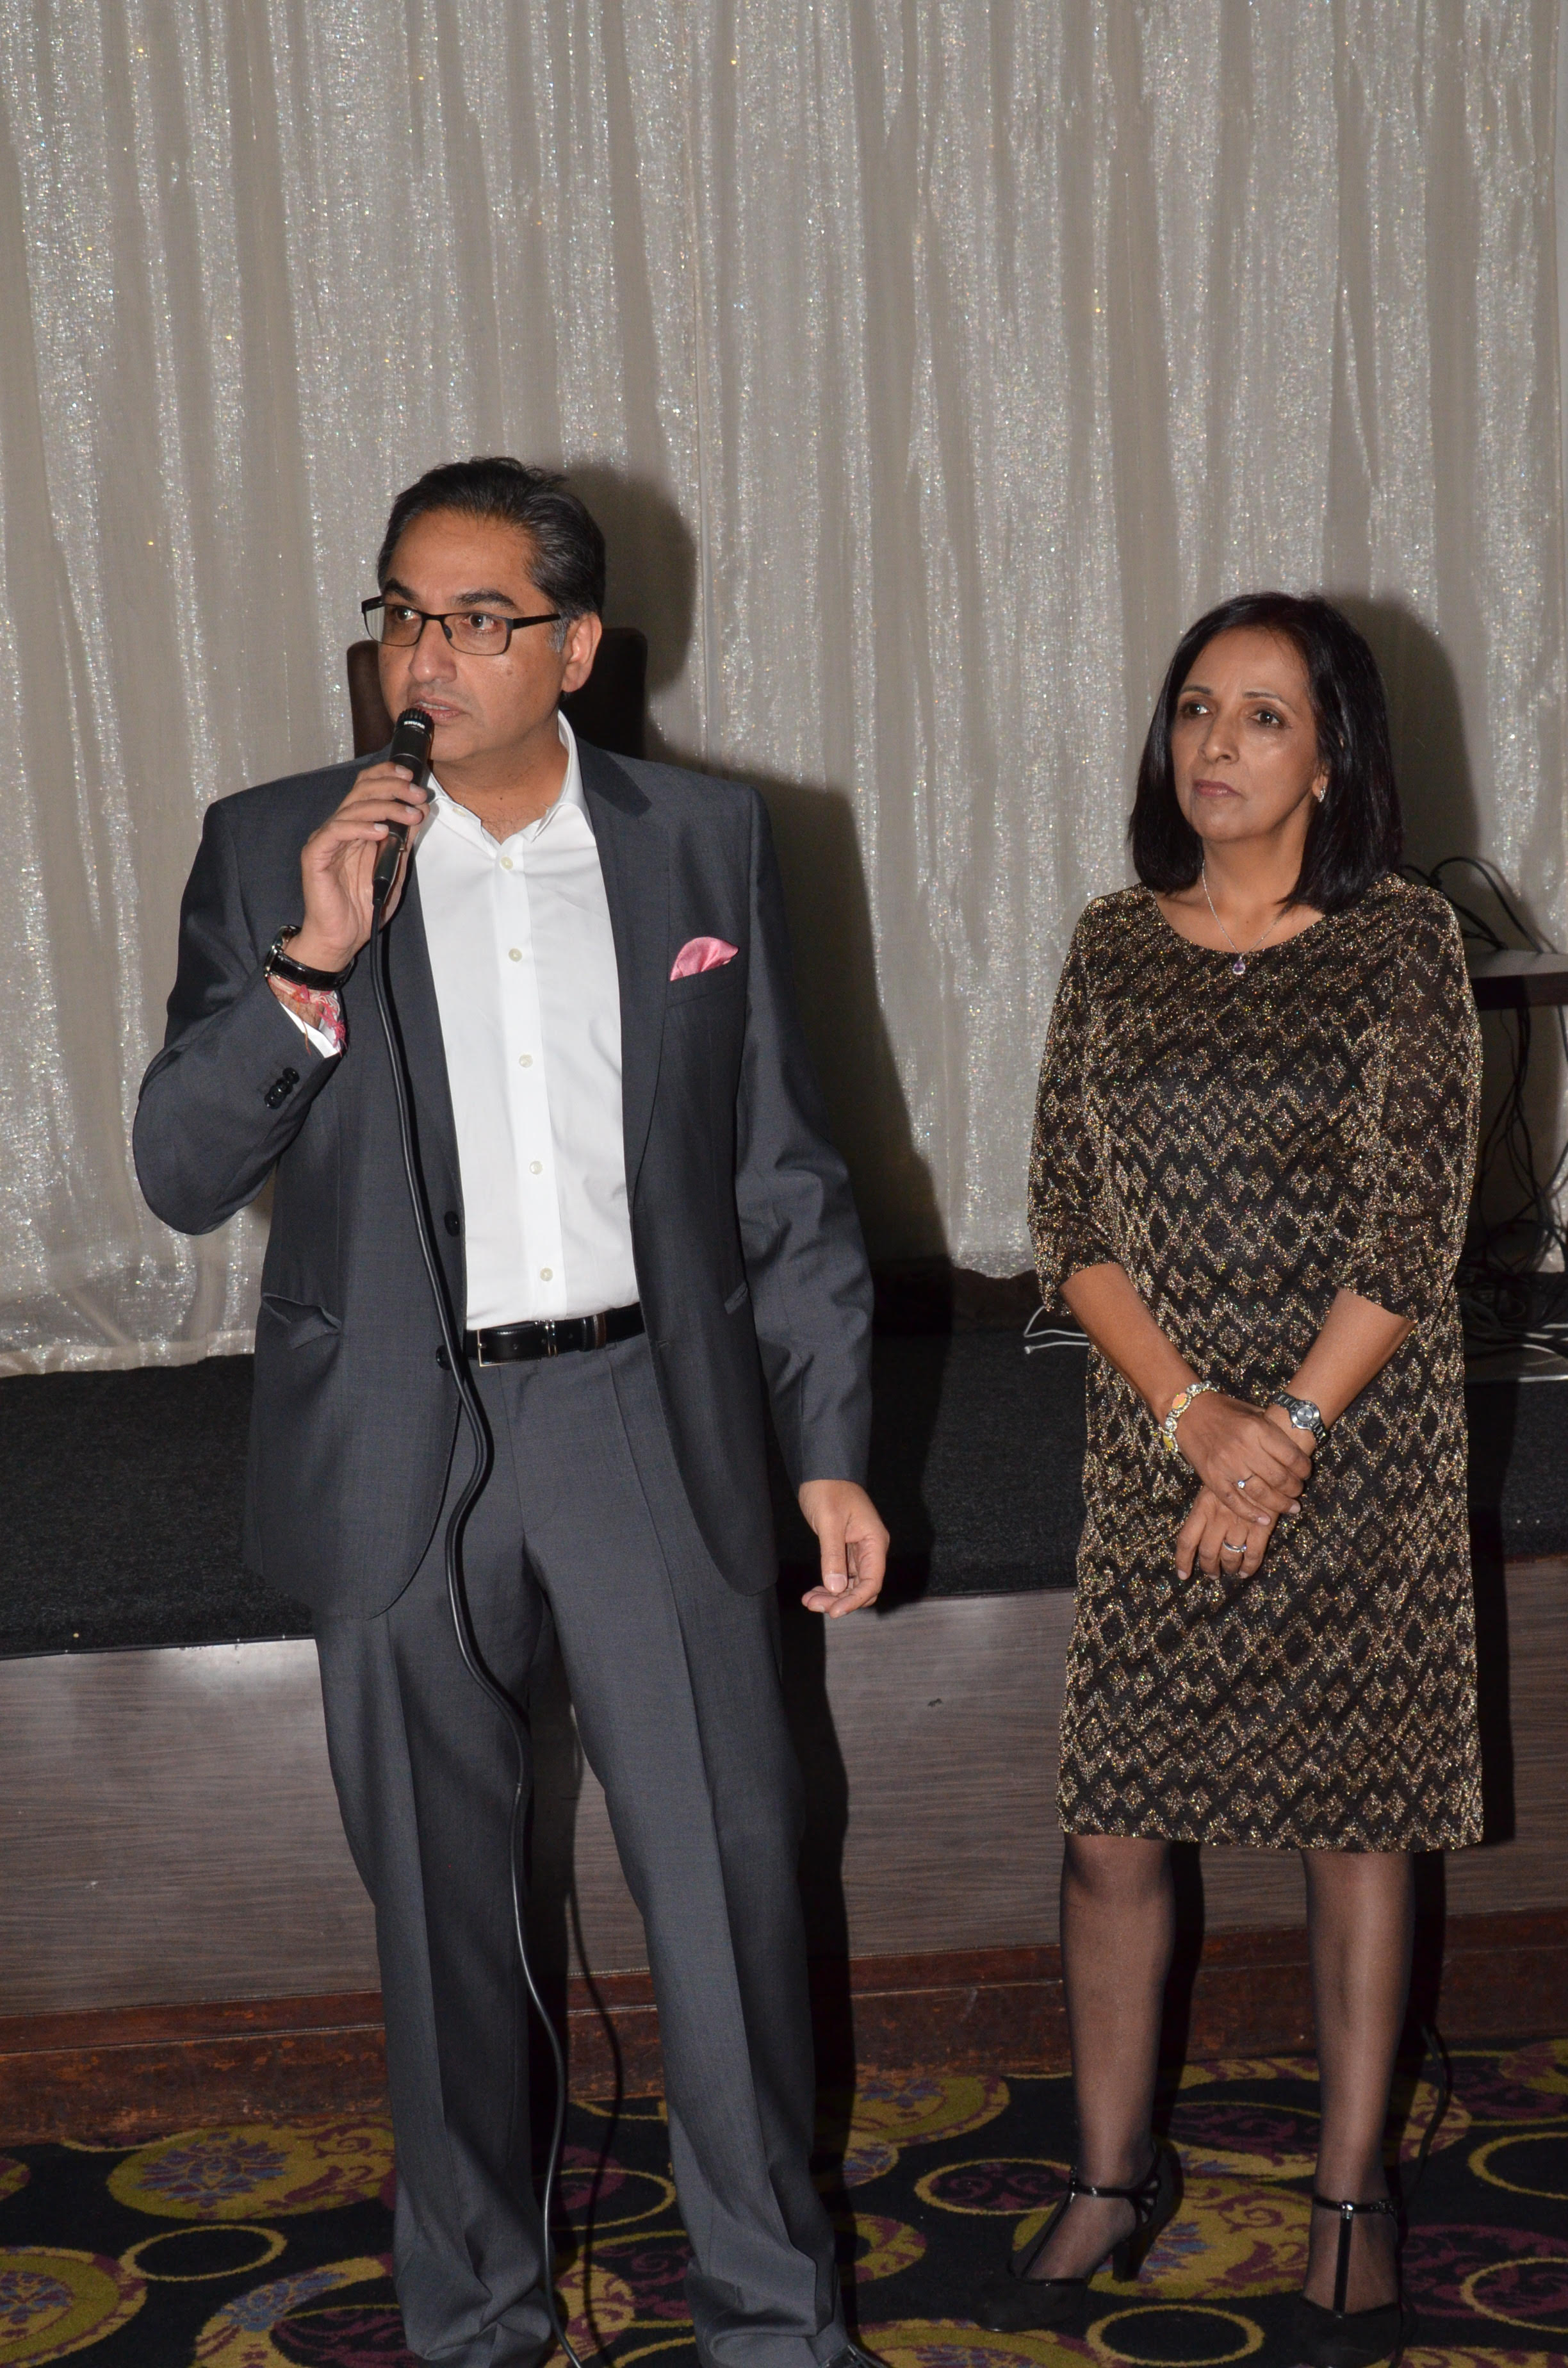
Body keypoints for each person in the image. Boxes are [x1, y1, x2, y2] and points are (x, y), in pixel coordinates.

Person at [135, 457, 890, 2368]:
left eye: (479, 620)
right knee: (444, 1926)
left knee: (728, 1890)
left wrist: (827, 1447)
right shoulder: (277, 844)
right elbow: (179, 1171)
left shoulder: (706, 841)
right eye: (404, 612)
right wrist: (312, 960)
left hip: (649, 1418)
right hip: (401, 1438)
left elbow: (785, 1173)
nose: (429, 655)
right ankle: (473, 2322)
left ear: (577, 647)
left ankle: (775, 2323)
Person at [976, 593, 1482, 2367]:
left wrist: (1284, 1444)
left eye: (1265, 716)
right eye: (1197, 707)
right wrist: (1195, 1418)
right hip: (1160, 1433)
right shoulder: (1116, 942)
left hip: (1362, 1441)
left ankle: (1352, 2199)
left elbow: (1412, 1231)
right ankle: (1113, 2176)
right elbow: (1069, 1215)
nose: (1218, 744)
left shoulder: (1404, 941)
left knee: (1358, 1823)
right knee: (1113, 1826)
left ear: (1332, 756)